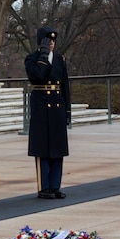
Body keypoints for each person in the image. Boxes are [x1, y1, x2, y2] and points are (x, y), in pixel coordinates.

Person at [24, 26, 71, 200]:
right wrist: (43, 56)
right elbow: (36, 76)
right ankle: (44, 187)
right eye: (48, 41)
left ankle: (55, 185)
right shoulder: (32, 59)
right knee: (42, 150)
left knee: (58, 150)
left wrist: (67, 111)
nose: (52, 44)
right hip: (41, 107)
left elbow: (65, 85)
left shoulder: (60, 59)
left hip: (57, 107)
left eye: (53, 41)